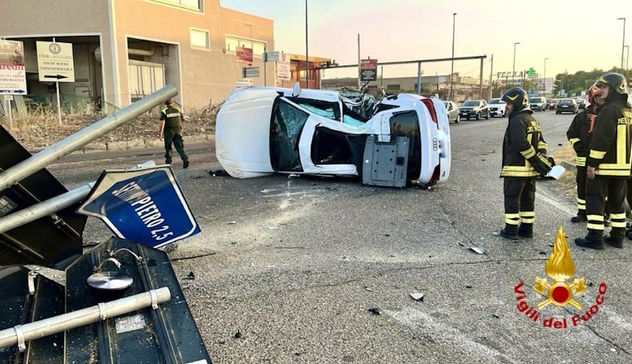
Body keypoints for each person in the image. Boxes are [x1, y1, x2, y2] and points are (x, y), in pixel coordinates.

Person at [575, 73, 631, 250]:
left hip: (604, 167)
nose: (600, 91)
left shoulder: (609, 110)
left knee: (595, 200)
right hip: (623, 169)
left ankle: (594, 238)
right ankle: (617, 237)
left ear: (615, 89)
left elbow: (601, 141)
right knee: (617, 203)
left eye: (604, 87)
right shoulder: (628, 111)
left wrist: (592, 164)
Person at [499, 87, 554, 240]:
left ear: (517, 103)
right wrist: (540, 158)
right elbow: (542, 143)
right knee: (528, 201)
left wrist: (535, 159)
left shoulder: (517, 120)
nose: (506, 107)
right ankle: (527, 229)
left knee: (512, 199)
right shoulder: (532, 120)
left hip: (516, 169)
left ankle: (511, 230)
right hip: (531, 172)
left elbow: (520, 144)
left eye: (509, 104)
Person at [566, 83, 603, 222]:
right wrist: (579, 148)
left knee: (601, 190)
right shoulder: (581, 117)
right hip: (583, 160)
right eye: (597, 97)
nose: (599, 99)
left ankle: (604, 213)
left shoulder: (608, 115)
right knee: (582, 186)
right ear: (592, 98)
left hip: (601, 161)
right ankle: (582, 212)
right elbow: (571, 134)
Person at [159, 98, 189, 168]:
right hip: (178, 131)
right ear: (172, 103)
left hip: (169, 132)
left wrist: (160, 134)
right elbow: (183, 119)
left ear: (165, 104)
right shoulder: (177, 110)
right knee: (180, 147)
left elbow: (162, 123)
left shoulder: (164, 111)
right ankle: (185, 160)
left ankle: (168, 163)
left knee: (168, 147)